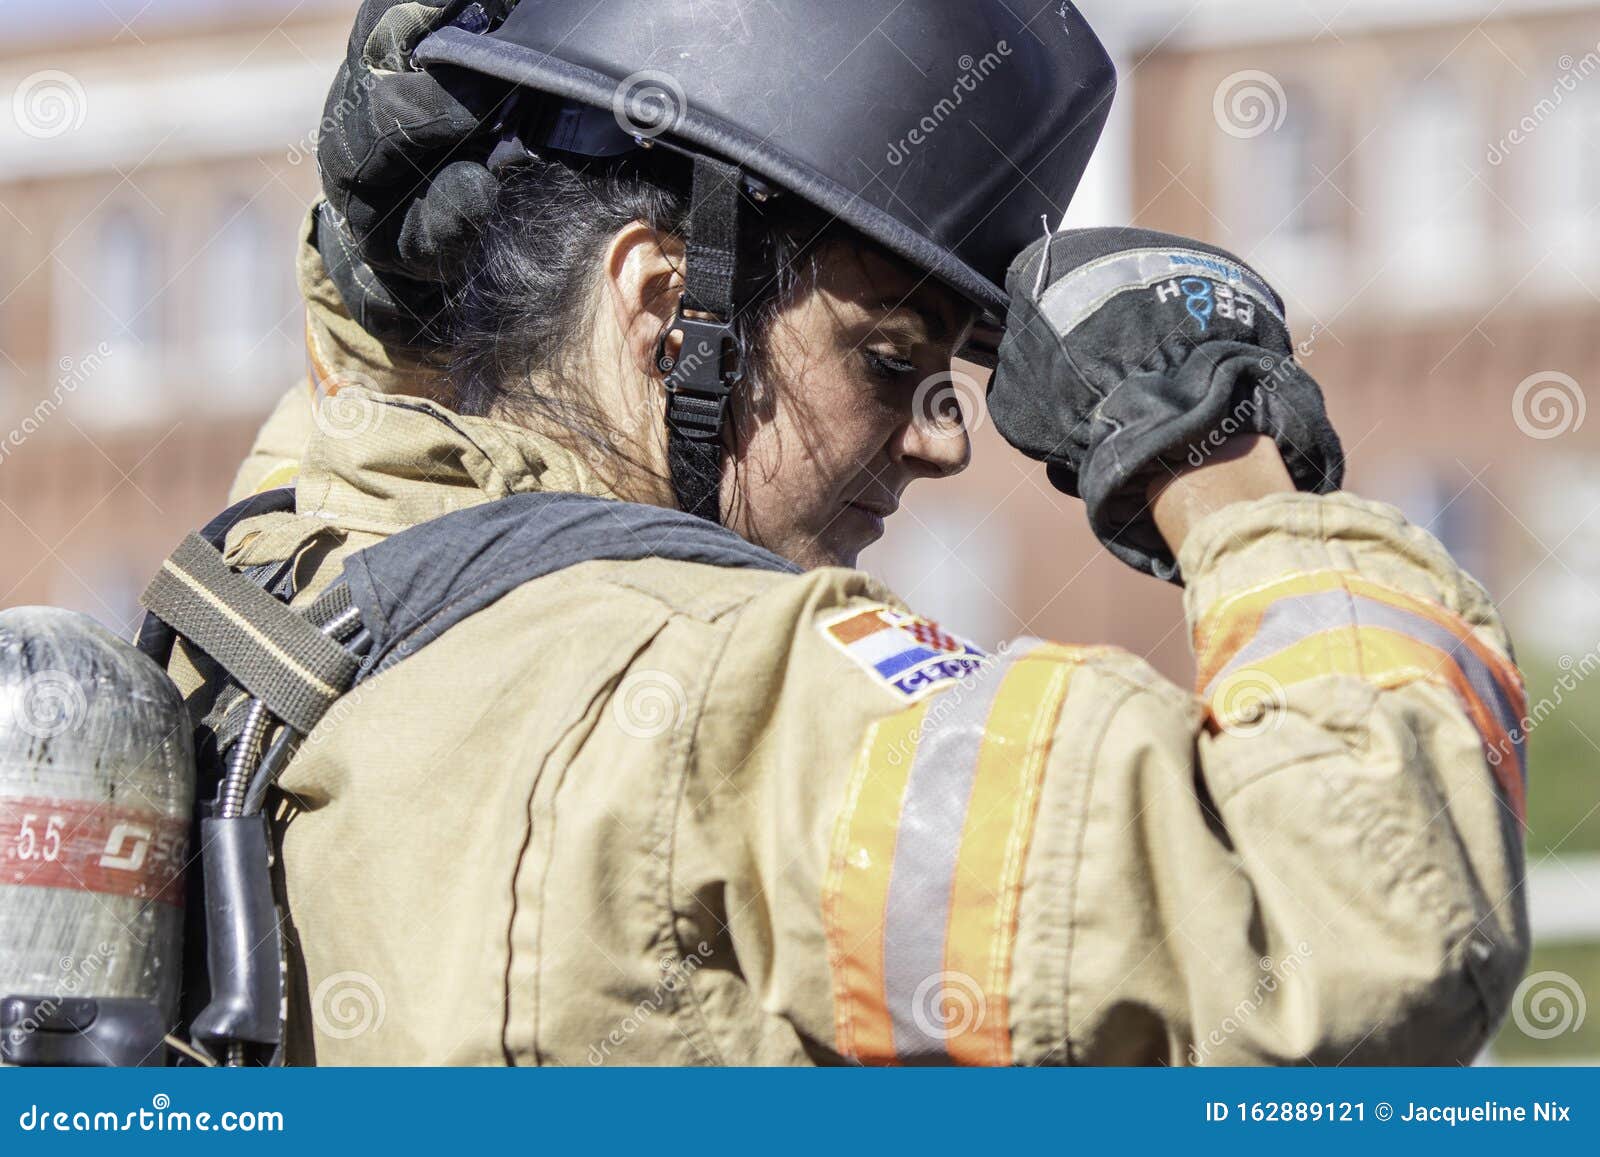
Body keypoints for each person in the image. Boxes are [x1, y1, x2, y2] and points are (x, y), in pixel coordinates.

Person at [163, 0, 1529, 1065]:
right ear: (660, 316)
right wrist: (1219, 459)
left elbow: (386, 388)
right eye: (889, 357)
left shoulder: (298, 588)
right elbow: (1364, 926)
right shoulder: (729, 701)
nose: (945, 438)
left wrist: (439, 180)